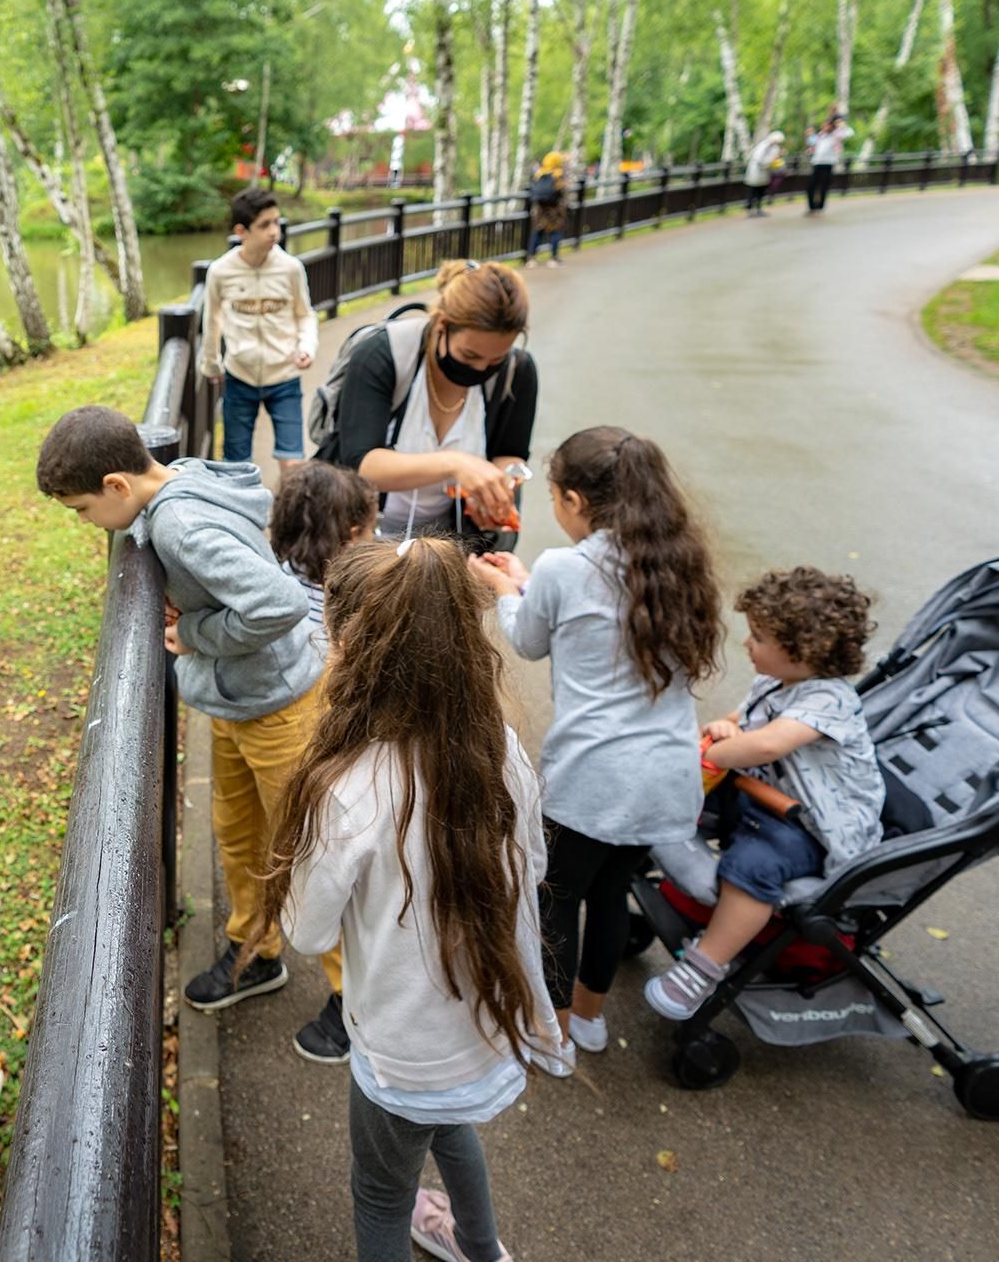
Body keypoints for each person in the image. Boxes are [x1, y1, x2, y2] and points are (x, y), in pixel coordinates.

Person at [258, 538, 567, 1262]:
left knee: (380, 1191)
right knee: (448, 1130)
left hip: (402, 1053)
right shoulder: (500, 749)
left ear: (345, 644)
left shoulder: (349, 789)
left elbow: (305, 934)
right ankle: (481, 1248)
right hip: (483, 1031)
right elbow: (537, 861)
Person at [35, 406, 328, 1049]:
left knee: (314, 850)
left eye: (82, 511)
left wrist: (192, 633)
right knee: (240, 831)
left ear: (117, 486)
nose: (86, 525)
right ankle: (256, 952)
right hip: (240, 701)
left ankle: (358, 1000)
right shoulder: (176, 480)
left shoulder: (181, 526)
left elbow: (276, 604)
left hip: (281, 706)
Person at [469, 427, 722, 1068]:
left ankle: (549, 1037)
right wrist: (530, 582)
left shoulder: (563, 568)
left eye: (554, 497)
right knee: (612, 892)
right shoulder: (679, 563)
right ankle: (588, 1020)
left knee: (554, 896)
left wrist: (505, 589)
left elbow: (527, 639)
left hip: (593, 780)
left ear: (576, 500)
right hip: (664, 777)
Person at [644, 567, 884, 1021]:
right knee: (668, 788)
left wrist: (718, 751)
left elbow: (769, 743)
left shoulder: (830, 700)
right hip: (762, 794)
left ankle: (705, 964)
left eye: (757, 637)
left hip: (811, 826)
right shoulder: (774, 683)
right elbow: (742, 725)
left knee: (754, 864)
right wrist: (723, 729)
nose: (746, 643)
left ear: (800, 651)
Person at [265, 460, 378, 1062]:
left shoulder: (273, 574)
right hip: (327, 739)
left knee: (315, 866)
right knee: (334, 867)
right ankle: (350, 992)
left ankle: (347, 995)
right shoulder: (360, 592)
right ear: (351, 533)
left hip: (302, 731)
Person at [322, 260, 538, 554]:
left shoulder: (517, 371)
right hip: (364, 539)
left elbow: (510, 453)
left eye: (494, 360)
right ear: (441, 323)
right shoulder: (382, 354)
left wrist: (497, 487)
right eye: (470, 354)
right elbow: (363, 463)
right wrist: (455, 463)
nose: (481, 368)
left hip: (448, 546)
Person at [199, 188, 318, 470]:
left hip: (285, 375)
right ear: (242, 231)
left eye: (276, 222)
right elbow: (212, 320)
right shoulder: (220, 271)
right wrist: (212, 364)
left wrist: (306, 347)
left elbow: (305, 315)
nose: (274, 232)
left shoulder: (291, 268)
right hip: (240, 377)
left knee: (293, 463)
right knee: (236, 465)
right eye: (264, 225)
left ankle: (290, 514)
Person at [269, 460, 378, 642]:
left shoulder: (281, 574)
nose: (374, 536)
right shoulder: (335, 610)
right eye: (371, 528)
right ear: (352, 536)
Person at [524, 151, 569, 269]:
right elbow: (563, 191)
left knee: (537, 232)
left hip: (540, 210)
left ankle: (531, 258)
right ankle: (554, 258)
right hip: (555, 210)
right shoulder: (558, 174)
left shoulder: (539, 174)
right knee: (555, 232)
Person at [805, 114, 854, 214]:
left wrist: (841, 125)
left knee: (824, 186)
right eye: (824, 125)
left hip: (828, 164)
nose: (824, 127)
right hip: (817, 163)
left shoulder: (836, 135)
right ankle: (812, 207)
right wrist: (809, 138)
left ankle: (820, 207)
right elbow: (811, 143)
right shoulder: (820, 135)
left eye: (827, 125)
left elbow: (850, 133)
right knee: (811, 186)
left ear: (832, 126)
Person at [743, 131, 785, 217]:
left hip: (765, 172)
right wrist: (767, 162)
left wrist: (772, 163)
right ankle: (749, 209)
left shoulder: (775, 148)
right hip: (756, 171)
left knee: (761, 191)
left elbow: (773, 159)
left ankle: (758, 208)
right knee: (752, 190)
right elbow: (757, 158)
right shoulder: (762, 146)